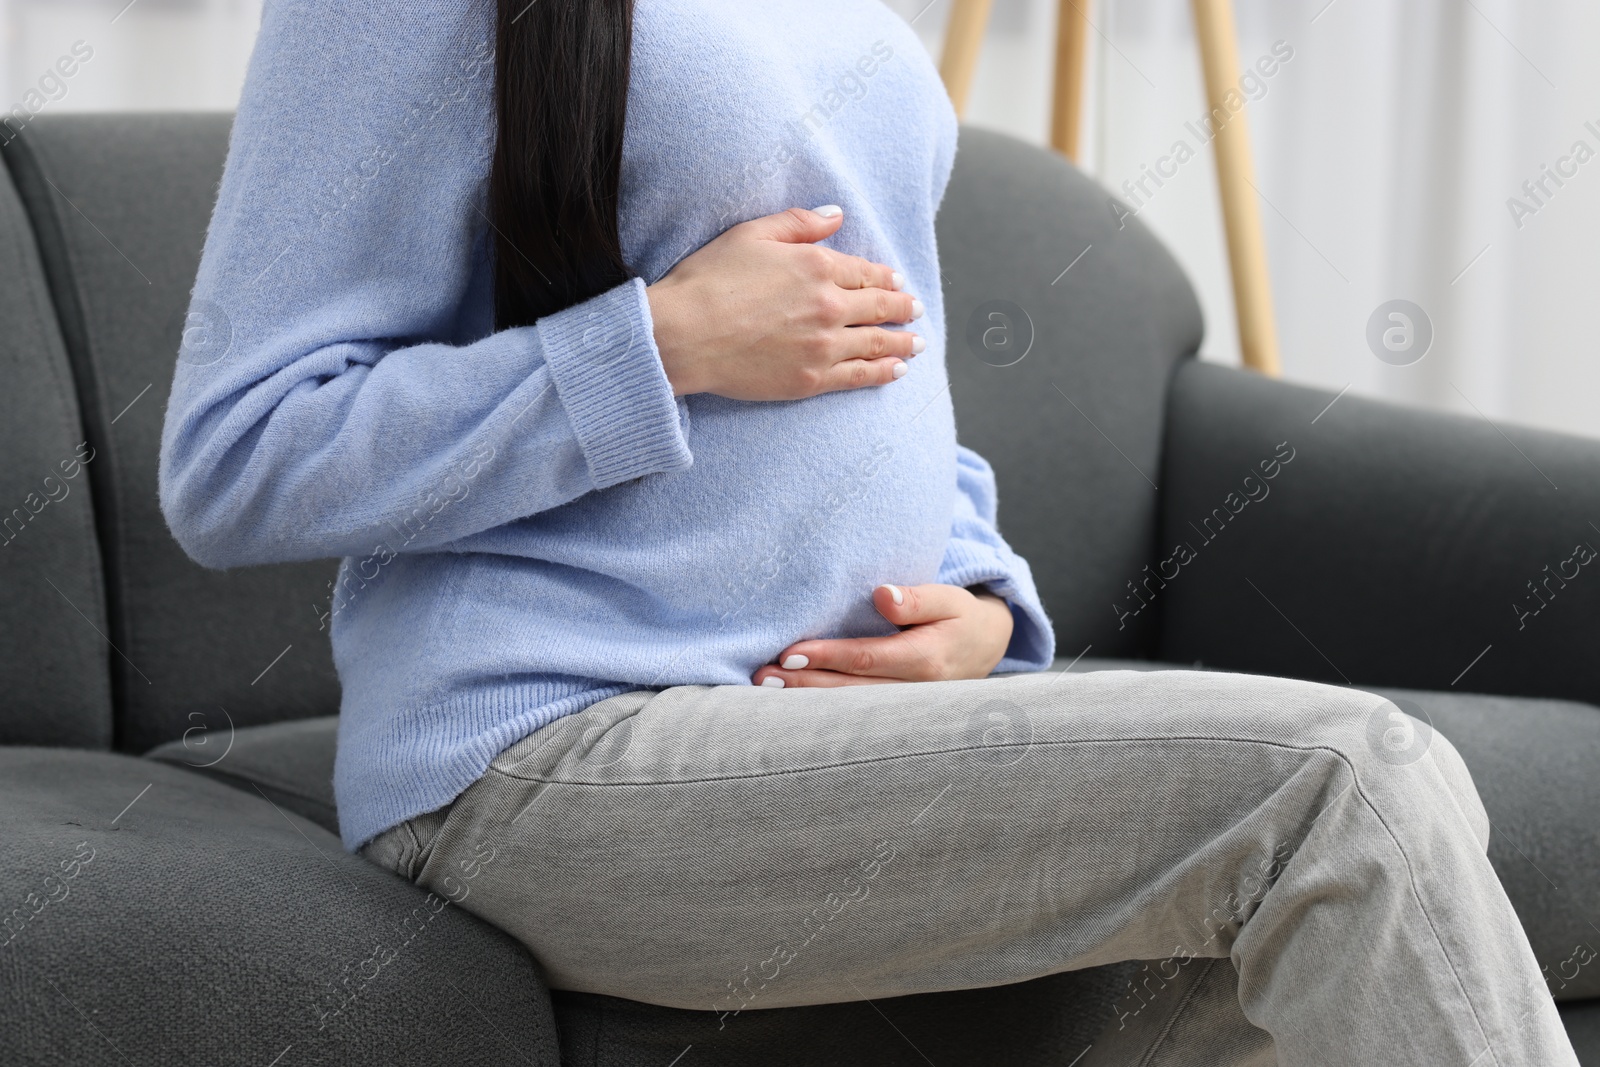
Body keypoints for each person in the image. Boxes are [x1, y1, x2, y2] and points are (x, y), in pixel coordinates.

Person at [156, 1, 1577, 1062]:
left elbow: (885, 352)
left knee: (1256, 995)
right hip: (554, 748)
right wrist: (656, 345)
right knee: (1345, 783)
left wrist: (979, 600)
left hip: (822, 732)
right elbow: (238, 455)